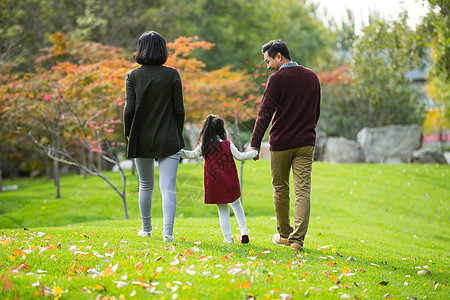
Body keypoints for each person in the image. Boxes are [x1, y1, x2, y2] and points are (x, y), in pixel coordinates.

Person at [250, 40, 321, 251]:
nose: (268, 66)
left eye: (268, 60)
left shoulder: (277, 79)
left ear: (279, 56)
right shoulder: (312, 77)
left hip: (282, 143)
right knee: (303, 191)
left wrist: (255, 144)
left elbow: (264, 113)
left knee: (281, 189)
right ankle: (297, 240)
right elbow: (315, 112)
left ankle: (284, 235)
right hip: (306, 143)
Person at [124, 31, 185, 242]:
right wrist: (178, 129)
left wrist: (128, 133)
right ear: (163, 50)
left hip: (140, 136)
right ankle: (167, 233)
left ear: (140, 49)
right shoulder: (172, 74)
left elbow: (128, 109)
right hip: (169, 136)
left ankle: (146, 229)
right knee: (168, 186)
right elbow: (179, 110)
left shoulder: (132, 76)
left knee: (145, 184)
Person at [181, 115, 258, 244]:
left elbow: (191, 155)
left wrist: (179, 151)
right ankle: (244, 231)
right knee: (237, 205)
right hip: (230, 181)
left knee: (223, 212)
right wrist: (254, 152)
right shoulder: (227, 144)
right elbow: (240, 156)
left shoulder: (204, 146)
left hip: (215, 184)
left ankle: (228, 239)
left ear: (206, 129)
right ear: (221, 130)